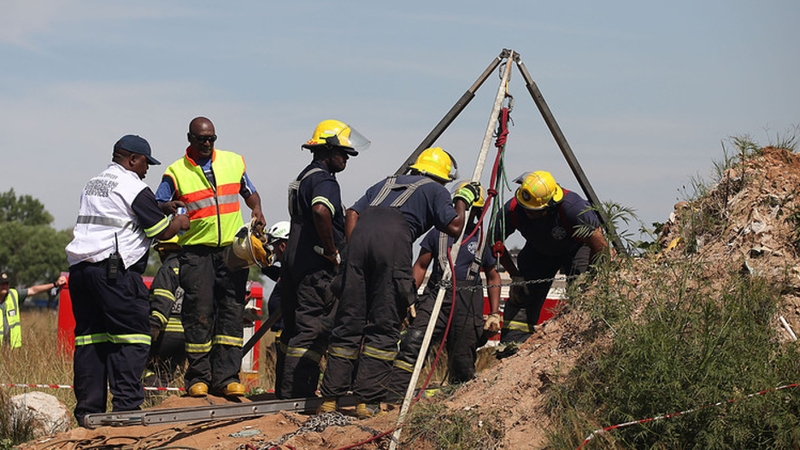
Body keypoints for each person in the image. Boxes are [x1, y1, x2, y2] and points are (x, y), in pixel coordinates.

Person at [318, 146, 480, 418]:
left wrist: (352, 250)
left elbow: (351, 214)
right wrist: (462, 200)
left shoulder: (388, 181)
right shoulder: (435, 189)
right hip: (393, 243)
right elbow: (454, 227)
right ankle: (367, 402)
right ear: (442, 176)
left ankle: (329, 399)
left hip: (359, 241)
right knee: (383, 325)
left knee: (349, 322)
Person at [65, 134, 189, 427]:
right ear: (133, 159)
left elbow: (119, 215)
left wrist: (160, 207)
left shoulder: (93, 183)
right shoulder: (135, 186)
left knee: (91, 341)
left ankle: (89, 413)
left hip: (81, 273)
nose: (147, 170)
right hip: (114, 275)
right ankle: (126, 410)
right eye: (146, 163)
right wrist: (179, 222)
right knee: (133, 338)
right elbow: (162, 232)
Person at [156, 116, 265, 398]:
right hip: (196, 252)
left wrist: (257, 209)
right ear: (190, 139)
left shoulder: (232, 162)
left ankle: (226, 377)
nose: (207, 143)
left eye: (211, 139)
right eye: (201, 139)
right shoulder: (175, 171)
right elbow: (158, 202)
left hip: (231, 251)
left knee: (230, 313)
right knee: (199, 314)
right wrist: (169, 207)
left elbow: (249, 192)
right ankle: (198, 377)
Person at [278, 120, 369, 399]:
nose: (346, 159)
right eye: (342, 153)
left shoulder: (304, 176)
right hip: (316, 268)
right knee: (312, 330)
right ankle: (298, 394)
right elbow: (320, 210)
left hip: (295, 263)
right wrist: (332, 250)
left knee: (292, 330)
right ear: (327, 150)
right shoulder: (324, 180)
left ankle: (285, 391)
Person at [385, 184, 501, 401]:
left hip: (467, 301)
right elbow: (420, 266)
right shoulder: (438, 233)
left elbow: (494, 277)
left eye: (468, 209)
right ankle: (393, 396)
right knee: (414, 342)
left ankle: (459, 401)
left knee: (462, 355)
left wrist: (495, 312)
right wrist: (408, 297)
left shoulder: (482, 238)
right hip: (436, 294)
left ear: (476, 211)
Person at [491, 171, 609, 345]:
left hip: (576, 248)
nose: (527, 212)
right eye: (526, 208)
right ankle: (512, 346)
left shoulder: (573, 208)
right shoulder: (513, 209)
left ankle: (584, 342)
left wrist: (593, 278)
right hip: (538, 250)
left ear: (550, 204)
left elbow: (600, 245)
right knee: (523, 294)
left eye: (534, 210)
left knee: (583, 292)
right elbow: (494, 242)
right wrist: (515, 275)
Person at [144, 237, 186, 388]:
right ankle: (163, 398)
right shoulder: (194, 268)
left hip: (166, 332)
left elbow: (163, 298)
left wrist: (153, 327)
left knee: (149, 368)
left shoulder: (168, 268)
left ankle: (151, 398)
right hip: (187, 337)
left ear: (164, 250)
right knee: (168, 373)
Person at [0, 272, 67, 349]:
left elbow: (33, 290)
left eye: (6, 283)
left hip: (12, 349)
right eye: (1, 284)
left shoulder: (13, 294)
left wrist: (55, 284)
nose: (4, 286)